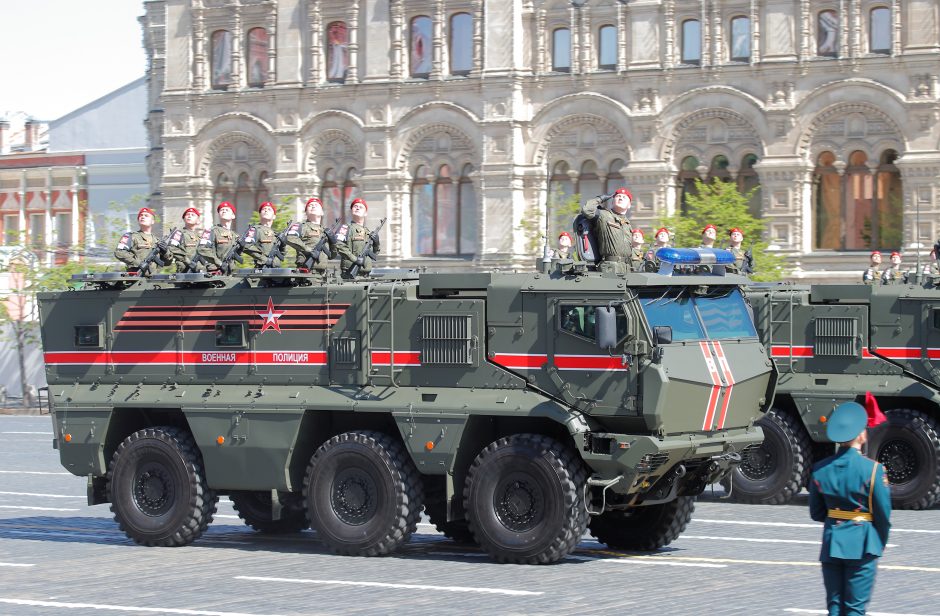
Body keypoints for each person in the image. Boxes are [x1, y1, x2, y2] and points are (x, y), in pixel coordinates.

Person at [809, 400, 891, 616]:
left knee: (834, 608)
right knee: (855, 609)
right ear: (860, 435)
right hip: (863, 544)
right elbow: (883, 515)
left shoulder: (820, 469)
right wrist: (877, 545)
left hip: (832, 543)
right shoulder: (873, 470)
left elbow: (816, 513)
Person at [580, 187, 634, 271]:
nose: (620, 198)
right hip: (609, 267)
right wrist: (601, 198)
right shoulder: (603, 215)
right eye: (618, 196)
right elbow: (587, 210)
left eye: (624, 197)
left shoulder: (628, 224)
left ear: (629, 205)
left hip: (626, 268)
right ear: (612, 201)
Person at [285, 197, 335, 274]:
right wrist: (309, 250)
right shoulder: (300, 226)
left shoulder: (326, 231)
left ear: (322, 212)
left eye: (316, 205)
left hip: (324, 274)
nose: (313, 206)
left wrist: (334, 242)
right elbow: (290, 238)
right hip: (306, 273)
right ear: (306, 212)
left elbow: (332, 256)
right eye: (310, 205)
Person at [334, 197, 380, 278]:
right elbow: (339, 245)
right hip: (350, 274)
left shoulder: (368, 232)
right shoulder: (345, 228)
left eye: (361, 207)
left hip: (366, 275)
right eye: (355, 206)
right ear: (351, 211)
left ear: (366, 213)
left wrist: (376, 243)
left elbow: (374, 254)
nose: (358, 208)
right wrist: (354, 259)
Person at [115, 207, 161, 275]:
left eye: (146, 215)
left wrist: (166, 252)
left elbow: (167, 262)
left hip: (154, 279)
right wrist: (138, 263)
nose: (142, 217)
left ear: (152, 221)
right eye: (141, 215)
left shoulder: (158, 241)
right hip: (136, 278)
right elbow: (119, 252)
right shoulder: (130, 236)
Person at [197, 201, 239, 273]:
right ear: (219, 214)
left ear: (233, 216)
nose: (224, 211)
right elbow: (201, 249)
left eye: (227, 210)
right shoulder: (211, 231)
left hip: (231, 271)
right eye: (222, 210)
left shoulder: (235, 235)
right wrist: (219, 263)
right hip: (216, 271)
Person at [242, 202, 279, 268]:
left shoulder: (275, 234)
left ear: (274, 216)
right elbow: (246, 246)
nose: (266, 210)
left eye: (269, 209)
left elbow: (281, 254)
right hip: (261, 268)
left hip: (275, 269)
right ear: (260, 214)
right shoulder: (255, 230)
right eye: (264, 209)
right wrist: (264, 259)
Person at [166, 207, 203, 272]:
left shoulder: (200, 237)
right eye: (187, 214)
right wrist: (188, 261)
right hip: (184, 271)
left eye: (192, 215)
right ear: (184, 219)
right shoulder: (178, 234)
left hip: (199, 271)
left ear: (198, 220)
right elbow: (173, 249)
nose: (189, 216)